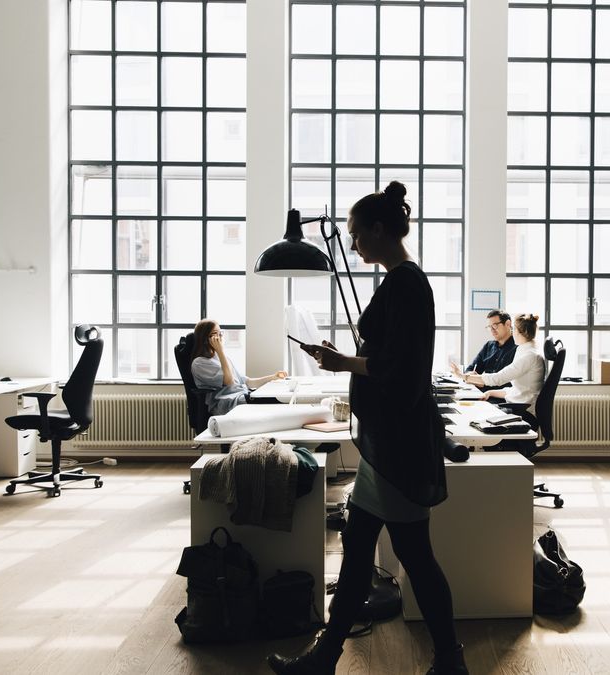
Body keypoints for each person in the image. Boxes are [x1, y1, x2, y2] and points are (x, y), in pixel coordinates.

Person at [268, 182, 467, 675]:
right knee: (361, 555)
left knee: (413, 557)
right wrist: (347, 361)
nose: (352, 243)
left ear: (380, 230)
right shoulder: (401, 283)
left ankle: (448, 660)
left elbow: (401, 371)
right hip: (389, 446)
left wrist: (342, 363)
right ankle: (329, 657)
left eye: (356, 234)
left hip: (396, 448)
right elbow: (391, 359)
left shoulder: (406, 285)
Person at [190, 319, 287, 416]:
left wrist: (273, 377)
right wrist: (220, 351)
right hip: (228, 403)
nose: (220, 337)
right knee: (276, 401)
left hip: (244, 395)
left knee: (279, 396)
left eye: (220, 333)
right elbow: (229, 381)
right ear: (205, 338)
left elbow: (248, 382)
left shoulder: (222, 358)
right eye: (216, 334)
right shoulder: (199, 363)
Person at [463, 313, 545, 426]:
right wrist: (490, 392)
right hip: (516, 405)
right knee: (476, 413)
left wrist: (464, 376)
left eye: (514, 329)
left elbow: (498, 378)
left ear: (520, 332)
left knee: (478, 417)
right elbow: (516, 390)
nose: (512, 332)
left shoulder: (529, 356)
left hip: (522, 411)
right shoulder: (524, 350)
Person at [449, 310, 517, 383]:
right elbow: (472, 368)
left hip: (502, 393)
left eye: (495, 325)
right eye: (489, 327)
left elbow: (509, 382)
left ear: (508, 324)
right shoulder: (489, 346)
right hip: (482, 390)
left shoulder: (518, 348)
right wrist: (470, 375)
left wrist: (481, 382)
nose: (492, 330)